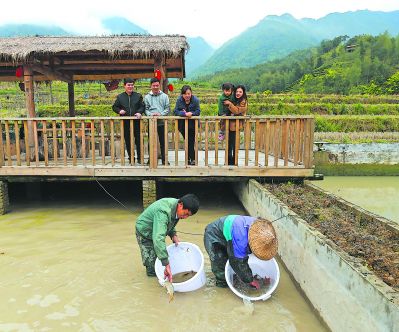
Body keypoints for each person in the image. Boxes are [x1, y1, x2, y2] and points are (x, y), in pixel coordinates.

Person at [135, 194, 200, 282]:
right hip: (145, 232)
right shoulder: (163, 212)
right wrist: (166, 263)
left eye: (188, 216)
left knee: (160, 254)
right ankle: (153, 283)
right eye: (185, 214)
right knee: (151, 266)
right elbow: (158, 238)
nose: (185, 217)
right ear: (180, 205)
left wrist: (173, 235)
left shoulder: (176, 207)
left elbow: (170, 222)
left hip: (156, 230)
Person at [204, 215, 277, 288]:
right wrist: (250, 280)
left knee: (233, 259)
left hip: (229, 233)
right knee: (220, 266)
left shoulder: (259, 226)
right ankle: (222, 286)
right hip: (214, 236)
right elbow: (238, 262)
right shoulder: (241, 240)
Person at [112, 78, 144, 164]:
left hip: (137, 122)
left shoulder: (138, 96)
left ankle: (140, 158)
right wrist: (119, 111)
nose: (130, 86)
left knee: (138, 140)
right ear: (124, 86)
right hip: (125, 123)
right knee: (128, 141)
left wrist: (139, 112)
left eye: (132, 85)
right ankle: (131, 158)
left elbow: (142, 106)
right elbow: (114, 107)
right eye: (128, 85)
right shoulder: (120, 97)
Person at [144, 78, 170, 165]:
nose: (155, 87)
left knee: (163, 141)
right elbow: (146, 109)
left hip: (162, 121)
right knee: (151, 141)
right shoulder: (146, 97)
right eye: (153, 85)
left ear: (159, 85)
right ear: (150, 86)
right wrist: (151, 115)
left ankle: (164, 159)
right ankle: (150, 159)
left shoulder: (165, 96)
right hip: (151, 122)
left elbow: (167, 109)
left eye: (157, 85)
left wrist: (160, 114)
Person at [174, 85, 201, 165]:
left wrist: (191, 113)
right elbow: (175, 111)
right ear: (182, 94)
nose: (187, 95)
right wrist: (184, 114)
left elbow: (198, 111)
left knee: (190, 141)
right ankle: (191, 159)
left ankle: (191, 159)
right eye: (185, 94)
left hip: (193, 125)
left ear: (191, 93)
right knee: (188, 141)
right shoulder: (179, 100)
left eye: (188, 93)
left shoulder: (195, 100)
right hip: (182, 125)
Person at [223, 85, 248, 165]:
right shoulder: (235, 100)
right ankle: (228, 161)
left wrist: (230, 104)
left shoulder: (243, 101)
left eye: (240, 92)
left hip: (236, 126)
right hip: (229, 125)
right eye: (237, 91)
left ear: (243, 93)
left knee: (234, 144)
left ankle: (233, 162)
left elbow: (237, 111)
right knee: (229, 144)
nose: (238, 93)